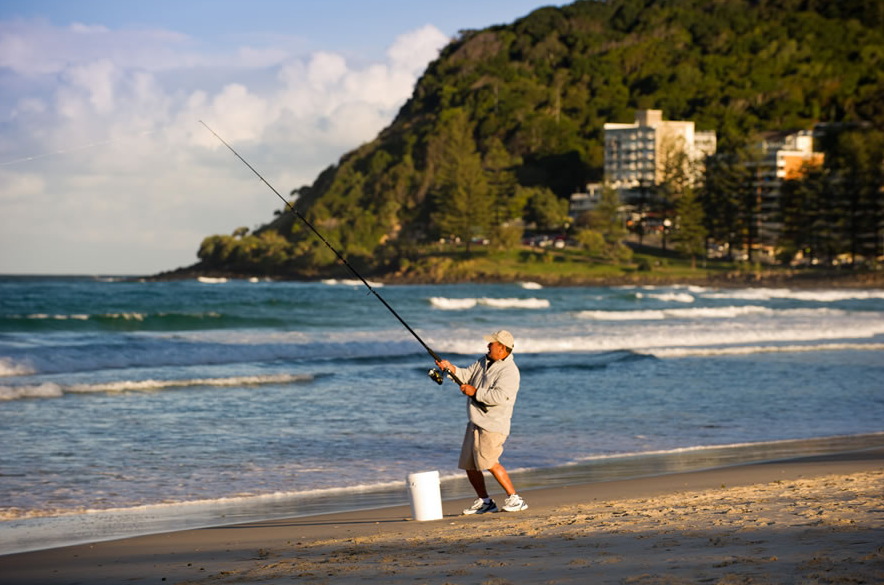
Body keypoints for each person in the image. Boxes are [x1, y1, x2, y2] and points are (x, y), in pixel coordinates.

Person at [435, 329, 527, 514]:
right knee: (469, 464)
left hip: (494, 424)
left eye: (491, 344)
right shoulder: (483, 361)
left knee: (490, 462)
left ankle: (515, 499)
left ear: (502, 348)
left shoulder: (510, 371)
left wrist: (475, 392)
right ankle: (485, 501)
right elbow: (466, 375)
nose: (488, 345)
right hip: (475, 421)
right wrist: (451, 368)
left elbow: (502, 396)